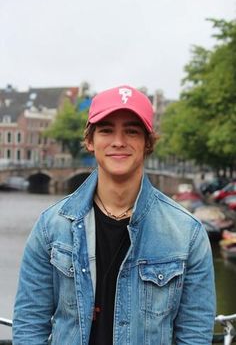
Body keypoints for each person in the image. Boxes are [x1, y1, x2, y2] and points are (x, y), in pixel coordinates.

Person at [13, 85, 216, 344]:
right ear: (90, 141)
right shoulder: (51, 227)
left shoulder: (187, 234)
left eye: (131, 131)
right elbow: (30, 324)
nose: (118, 141)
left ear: (148, 143)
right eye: (107, 130)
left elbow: (194, 334)